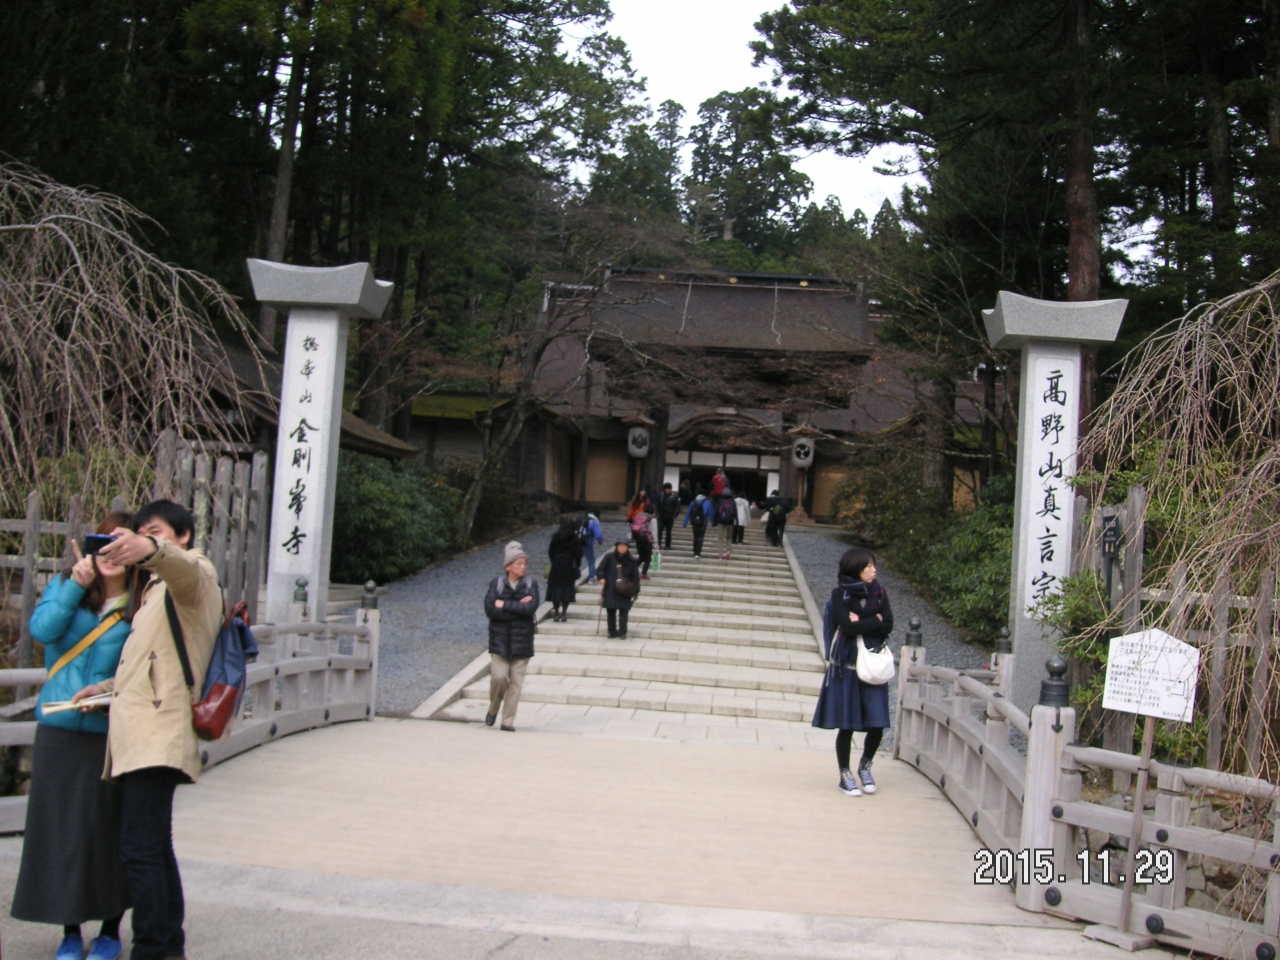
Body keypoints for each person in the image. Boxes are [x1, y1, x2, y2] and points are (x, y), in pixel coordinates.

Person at [71, 500, 223, 960]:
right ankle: (167, 945)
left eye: (154, 531)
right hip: (147, 728)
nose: (143, 539)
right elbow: (151, 663)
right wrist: (105, 689)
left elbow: (180, 566)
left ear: (182, 535)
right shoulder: (155, 592)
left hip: (159, 729)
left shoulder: (194, 574)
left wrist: (150, 549)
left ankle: (152, 948)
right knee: (154, 846)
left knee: (139, 848)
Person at [14, 513, 138, 960]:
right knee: (60, 831)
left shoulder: (142, 603)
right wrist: (73, 586)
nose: (109, 553)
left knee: (107, 831)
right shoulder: (68, 586)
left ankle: (109, 930)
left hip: (110, 732)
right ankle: (69, 931)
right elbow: (41, 631)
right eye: (102, 543)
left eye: (121, 545)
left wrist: (108, 697)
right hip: (60, 729)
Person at [812, 548, 893, 797]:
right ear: (855, 569)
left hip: (873, 665)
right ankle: (845, 774)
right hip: (847, 666)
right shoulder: (840, 594)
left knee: (877, 723)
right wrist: (875, 620)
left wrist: (862, 621)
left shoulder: (879, 592)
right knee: (846, 725)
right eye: (868, 566)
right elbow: (846, 626)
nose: (874, 570)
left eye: (873, 565)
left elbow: (889, 624)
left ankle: (865, 766)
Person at [483, 542, 540, 731]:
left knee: (515, 683)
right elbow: (490, 609)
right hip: (500, 640)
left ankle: (507, 720)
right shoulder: (497, 584)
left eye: (524, 563)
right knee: (499, 677)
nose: (523, 567)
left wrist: (505, 604)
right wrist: (517, 606)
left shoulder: (530, 585)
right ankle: (493, 707)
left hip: (522, 641)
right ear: (508, 566)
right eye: (519, 563)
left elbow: (530, 609)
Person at [596, 540, 640, 638]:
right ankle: (611, 631)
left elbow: (635, 576)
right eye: (620, 546)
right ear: (617, 547)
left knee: (624, 611)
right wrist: (601, 578)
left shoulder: (632, 560)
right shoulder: (609, 557)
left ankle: (622, 632)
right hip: (610, 587)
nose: (622, 548)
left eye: (625, 546)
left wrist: (636, 590)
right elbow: (600, 569)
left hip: (625, 589)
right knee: (611, 611)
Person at [545, 519, 582, 622]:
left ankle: (556, 612)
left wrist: (554, 560)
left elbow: (550, 551)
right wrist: (577, 564)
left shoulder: (556, 537)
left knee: (556, 588)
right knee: (567, 590)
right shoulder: (574, 538)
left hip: (556, 566)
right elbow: (578, 553)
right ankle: (564, 612)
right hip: (568, 566)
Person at [682, 490, 713, 559]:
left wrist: (685, 523)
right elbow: (710, 513)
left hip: (694, 522)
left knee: (695, 536)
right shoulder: (707, 502)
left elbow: (688, 513)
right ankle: (698, 553)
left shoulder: (693, 502)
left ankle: (694, 551)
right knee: (700, 537)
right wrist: (713, 522)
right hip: (703, 522)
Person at [630, 504, 654, 580]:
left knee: (642, 557)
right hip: (646, 540)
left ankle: (631, 570)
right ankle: (643, 574)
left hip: (638, 538)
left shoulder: (638, 515)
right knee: (647, 558)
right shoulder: (650, 518)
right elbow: (653, 530)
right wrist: (656, 542)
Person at [579, 512, 604, 583]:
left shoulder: (581, 519)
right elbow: (599, 535)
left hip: (577, 542)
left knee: (576, 559)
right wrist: (600, 541)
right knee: (591, 560)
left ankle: (575, 574)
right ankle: (591, 578)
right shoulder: (594, 522)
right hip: (587, 543)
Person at [714, 487, 736, 560]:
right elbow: (735, 512)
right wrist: (736, 521)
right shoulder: (732, 501)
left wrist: (715, 521)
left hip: (720, 521)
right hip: (730, 522)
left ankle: (720, 556)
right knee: (729, 537)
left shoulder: (720, 501)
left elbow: (716, 511)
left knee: (720, 538)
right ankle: (728, 551)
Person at [655, 483, 680, 551]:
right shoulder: (660, 495)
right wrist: (657, 514)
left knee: (668, 531)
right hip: (661, 516)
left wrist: (674, 515)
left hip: (670, 516)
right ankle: (658, 543)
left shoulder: (674, 496)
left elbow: (677, 506)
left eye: (669, 489)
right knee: (659, 530)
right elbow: (657, 505)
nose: (668, 490)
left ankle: (668, 545)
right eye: (667, 489)